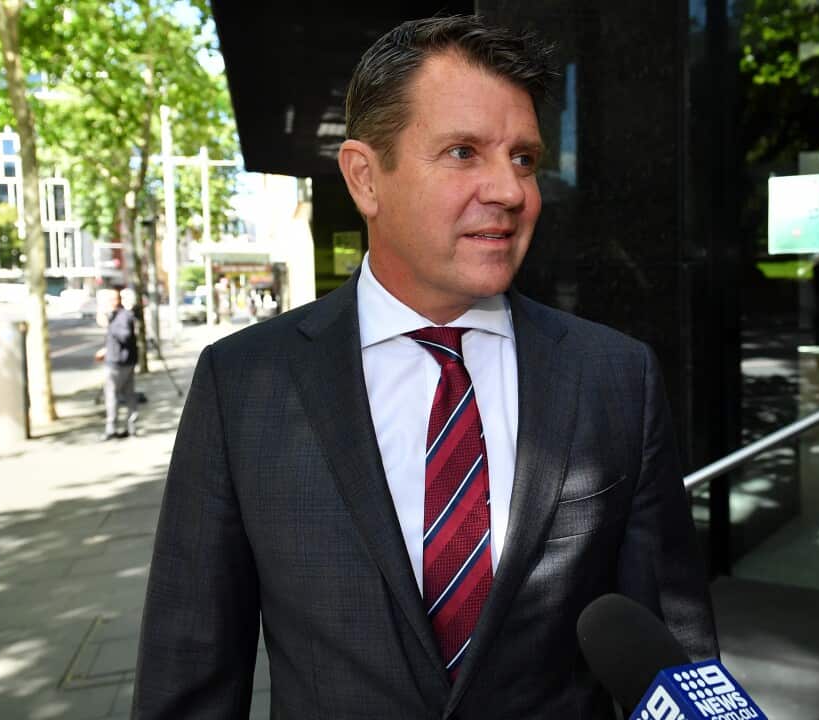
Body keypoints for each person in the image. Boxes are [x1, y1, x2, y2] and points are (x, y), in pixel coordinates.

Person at [134, 15, 717, 718]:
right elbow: (190, 674)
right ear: (365, 178)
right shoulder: (244, 386)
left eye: (524, 158)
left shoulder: (615, 377)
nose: (511, 190)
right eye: (464, 152)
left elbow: (676, 656)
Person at [96, 287, 138, 440]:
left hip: (119, 363)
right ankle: (129, 427)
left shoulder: (122, 316)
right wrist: (106, 350)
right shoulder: (118, 316)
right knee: (127, 394)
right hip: (120, 359)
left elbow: (125, 336)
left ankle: (113, 428)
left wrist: (110, 326)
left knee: (113, 395)